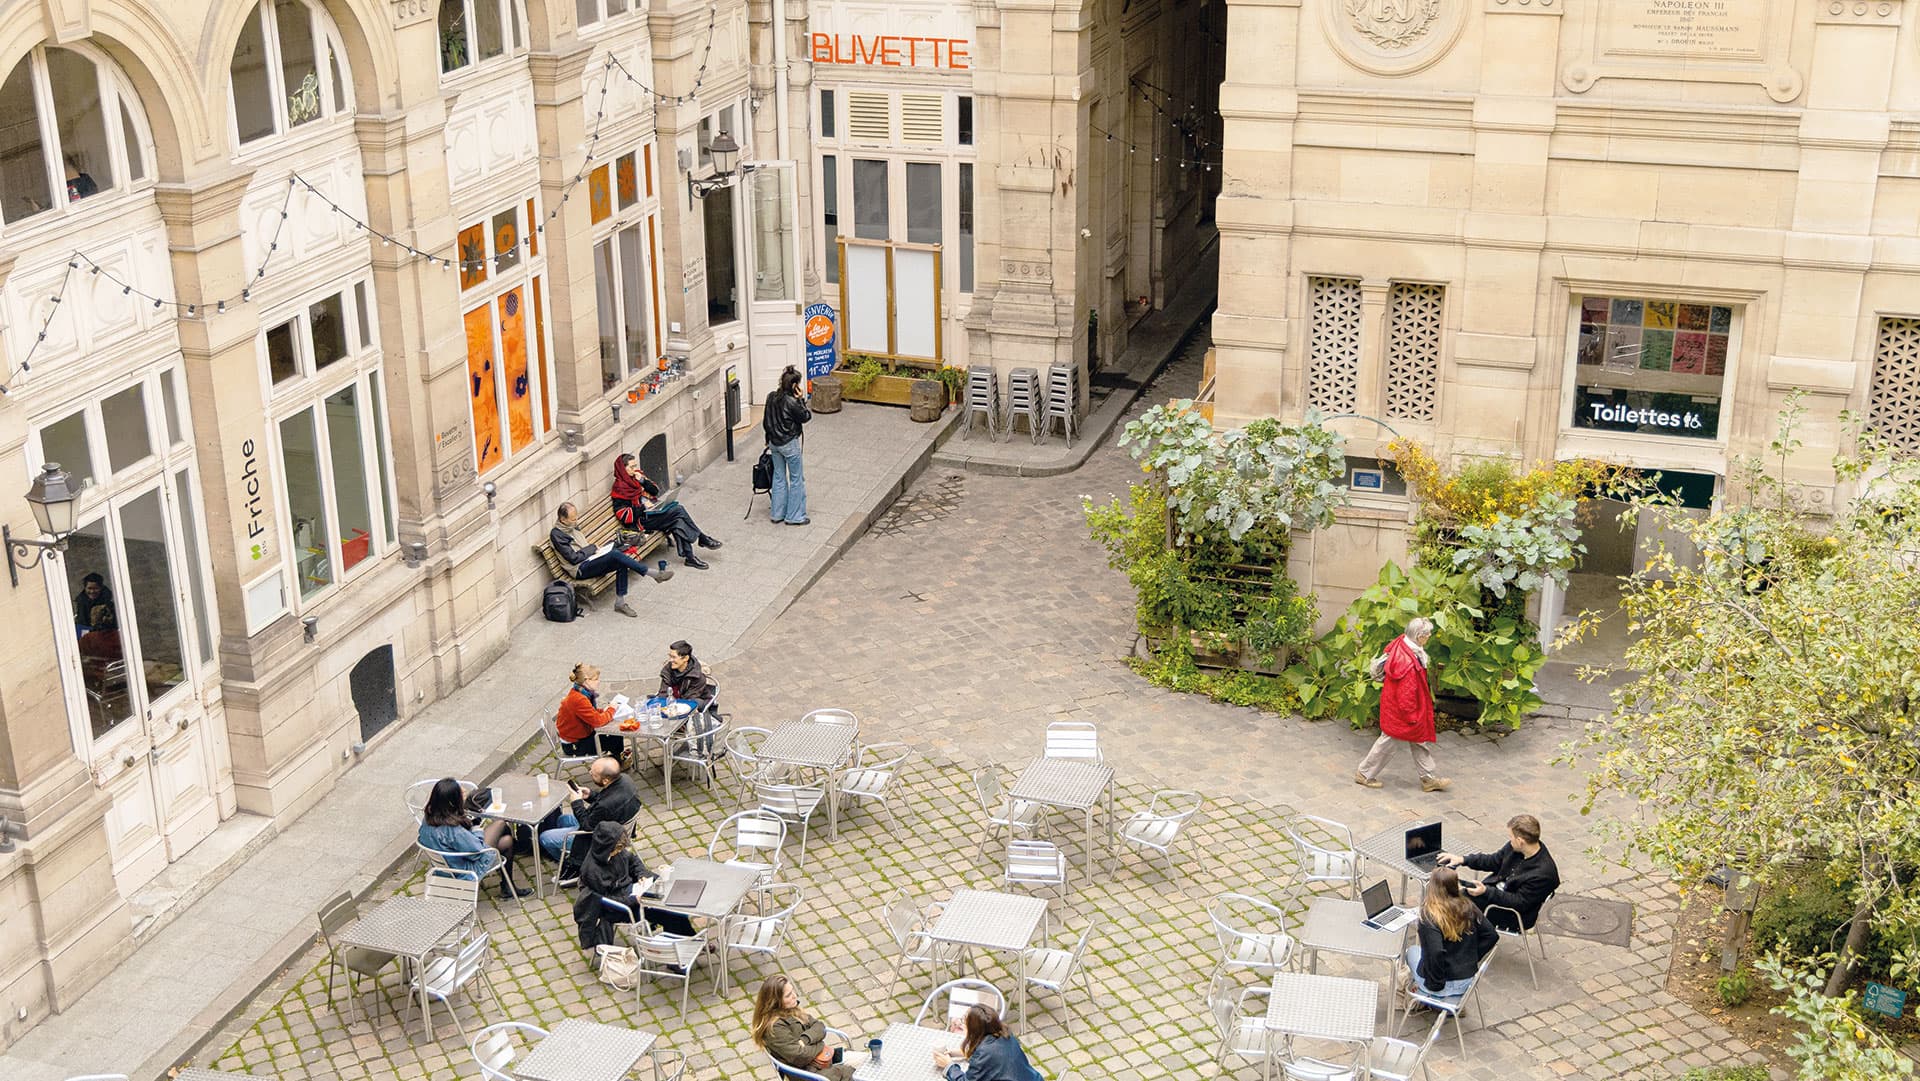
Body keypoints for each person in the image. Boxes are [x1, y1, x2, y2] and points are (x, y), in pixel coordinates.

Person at [1354, 616, 1451, 792]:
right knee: (1389, 741)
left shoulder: (1403, 644)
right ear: (1419, 636)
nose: (1429, 636)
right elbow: (1406, 695)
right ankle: (1364, 773)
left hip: (1395, 707)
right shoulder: (1408, 663)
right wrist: (1412, 716)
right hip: (1403, 712)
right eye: (1427, 634)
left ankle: (1428, 778)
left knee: (1416, 740)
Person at [572, 821, 696, 953]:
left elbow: (633, 861)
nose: (619, 852)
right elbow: (603, 901)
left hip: (633, 893)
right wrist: (633, 900)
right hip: (620, 908)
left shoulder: (614, 852)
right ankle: (680, 952)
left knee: (674, 907)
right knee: (669, 913)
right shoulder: (592, 871)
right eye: (617, 849)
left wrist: (641, 874)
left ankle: (689, 943)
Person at [1438, 813, 1562, 932]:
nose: (1510, 840)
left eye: (1511, 837)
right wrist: (1462, 859)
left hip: (1510, 914)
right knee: (1445, 883)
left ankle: (1454, 939)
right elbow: (1494, 861)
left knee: (1451, 899)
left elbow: (1519, 903)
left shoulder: (1543, 874)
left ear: (1520, 841)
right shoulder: (1518, 848)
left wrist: (1486, 891)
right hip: (1493, 893)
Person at [549, 501, 672, 618]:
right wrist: (592, 548)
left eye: (576, 518)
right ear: (562, 519)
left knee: (620, 560)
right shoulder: (557, 535)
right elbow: (573, 558)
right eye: (573, 519)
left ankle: (620, 602)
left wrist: (595, 551)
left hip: (590, 559)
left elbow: (582, 549)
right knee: (615, 555)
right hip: (579, 569)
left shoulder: (571, 527)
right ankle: (652, 573)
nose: (576, 522)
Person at [417, 777, 529, 898]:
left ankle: (508, 886)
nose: (464, 792)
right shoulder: (453, 830)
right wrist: (476, 829)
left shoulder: (429, 817)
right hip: (465, 871)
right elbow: (476, 852)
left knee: (507, 841)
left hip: (443, 868)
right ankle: (509, 882)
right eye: (461, 793)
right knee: (500, 823)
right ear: (452, 801)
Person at [611, 453, 721, 569]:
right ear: (623, 469)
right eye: (631, 467)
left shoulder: (638, 478)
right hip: (642, 521)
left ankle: (690, 557)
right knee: (678, 510)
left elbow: (655, 491)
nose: (635, 469)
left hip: (653, 512)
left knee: (677, 521)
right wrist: (643, 507)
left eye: (635, 466)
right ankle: (702, 538)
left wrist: (643, 481)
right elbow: (623, 516)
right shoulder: (619, 488)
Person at [1405, 867, 1499, 999]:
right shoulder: (1468, 905)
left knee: (1412, 951)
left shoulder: (1429, 915)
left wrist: (1435, 984)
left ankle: (1427, 998)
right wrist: (1471, 958)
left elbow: (1436, 952)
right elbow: (1492, 935)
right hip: (1467, 980)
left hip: (1442, 984)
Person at [539, 755, 641, 875]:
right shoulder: (625, 780)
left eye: (593, 774)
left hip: (600, 838)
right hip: (616, 823)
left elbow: (586, 825)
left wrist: (576, 802)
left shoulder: (605, 806)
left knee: (545, 837)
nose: (590, 773)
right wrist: (590, 795)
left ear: (606, 780)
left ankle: (570, 863)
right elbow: (607, 801)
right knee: (563, 819)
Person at [752, 974, 858, 1081]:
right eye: (788, 995)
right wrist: (820, 1044)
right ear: (775, 1002)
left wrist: (805, 1039)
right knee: (861, 1073)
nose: (794, 996)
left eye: (793, 991)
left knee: (870, 1060)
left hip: (824, 1059)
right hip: (811, 1074)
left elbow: (819, 1026)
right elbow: (800, 1057)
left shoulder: (792, 1009)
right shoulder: (774, 1029)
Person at [932, 1004, 1042, 1081]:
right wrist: (962, 1052)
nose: (960, 1022)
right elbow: (994, 1059)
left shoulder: (983, 1053)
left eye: (963, 1021)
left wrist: (949, 1066)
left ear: (973, 1029)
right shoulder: (1005, 1033)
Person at [763, 365, 812, 526]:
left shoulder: (771, 397)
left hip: (774, 443)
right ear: (794, 385)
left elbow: (766, 421)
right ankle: (794, 516)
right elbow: (805, 416)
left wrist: (768, 439)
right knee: (796, 478)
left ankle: (777, 513)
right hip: (789, 443)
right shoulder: (792, 402)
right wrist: (801, 399)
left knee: (778, 476)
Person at [556, 663, 625, 758]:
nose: (598, 681)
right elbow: (598, 721)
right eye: (596, 679)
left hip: (576, 737)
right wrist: (611, 709)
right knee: (616, 738)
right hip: (575, 745)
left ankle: (616, 760)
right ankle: (617, 762)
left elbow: (590, 712)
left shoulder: (578, 692)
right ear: (587, 680)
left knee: (613, 734)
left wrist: (604, 710)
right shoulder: (579, 699)